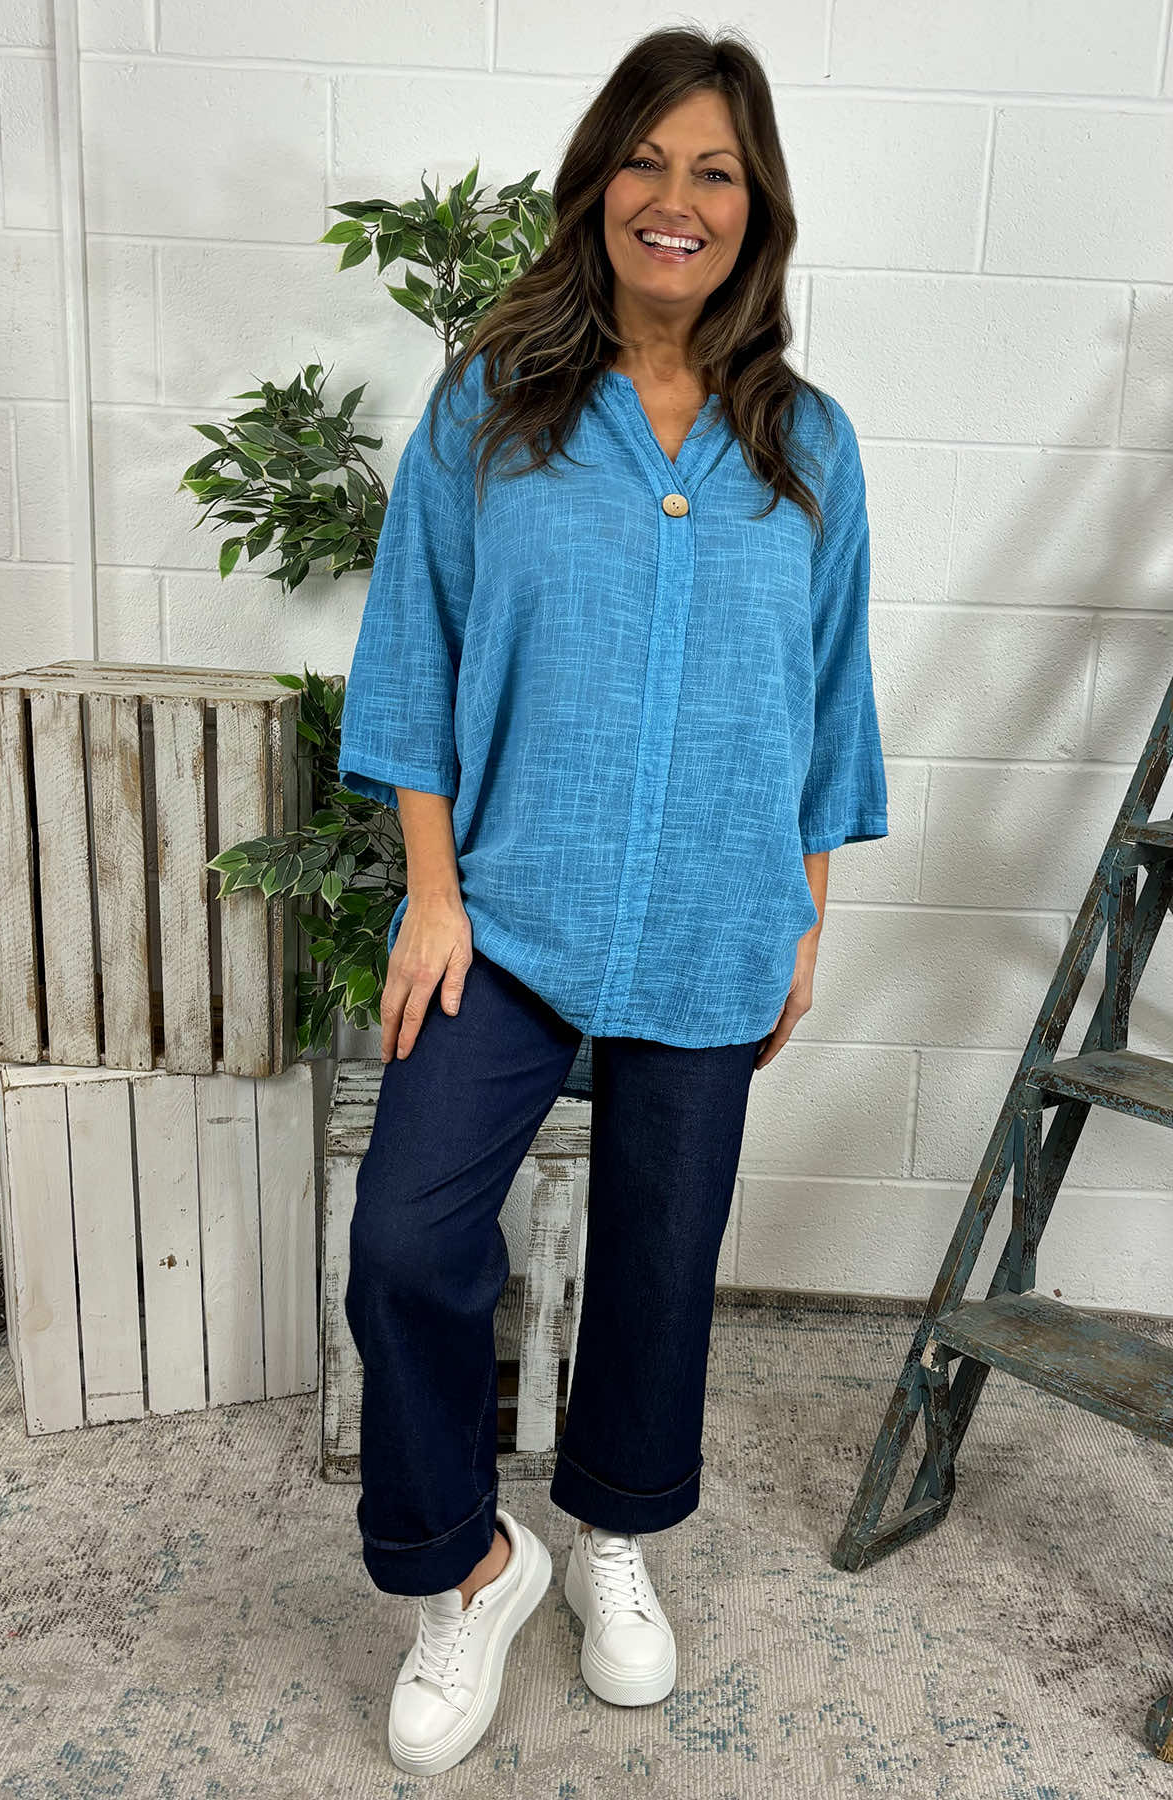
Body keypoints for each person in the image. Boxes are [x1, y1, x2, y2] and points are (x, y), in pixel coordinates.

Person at [338, 23, 889, 1779]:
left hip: (718, 915)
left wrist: (802, 915)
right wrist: (432, 895)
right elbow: (411, 653)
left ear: (755, 211)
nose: (677, 198)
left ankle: (612, 1539)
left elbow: (825, 701)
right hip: (510, 912)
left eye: (715, 171)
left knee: (660, 1259)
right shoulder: (490, 408)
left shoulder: (808, 446)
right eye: (647, 160)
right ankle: (470, 1567)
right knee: (407, 1235)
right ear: (597, 188)